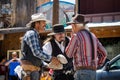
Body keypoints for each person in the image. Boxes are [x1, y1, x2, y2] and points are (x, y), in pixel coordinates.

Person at [65, 14, 107, 80]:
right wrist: (97, 64)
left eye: (72, 25)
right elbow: (104, 53)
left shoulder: (76, 36)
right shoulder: (93, 36)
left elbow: (68, 54)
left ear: (75, 25)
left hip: (82, 72)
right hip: (93, 72)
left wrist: (72, 39)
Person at [21, 13, 60, 80]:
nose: (45, 24)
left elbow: (36, 56)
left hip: (33, 71)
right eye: (43, 22)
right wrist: (52, 59)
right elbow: (36, 52)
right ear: (37, 23)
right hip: (31, 72)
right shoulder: (32, 34)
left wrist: (47, 65)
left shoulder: (35, 35)